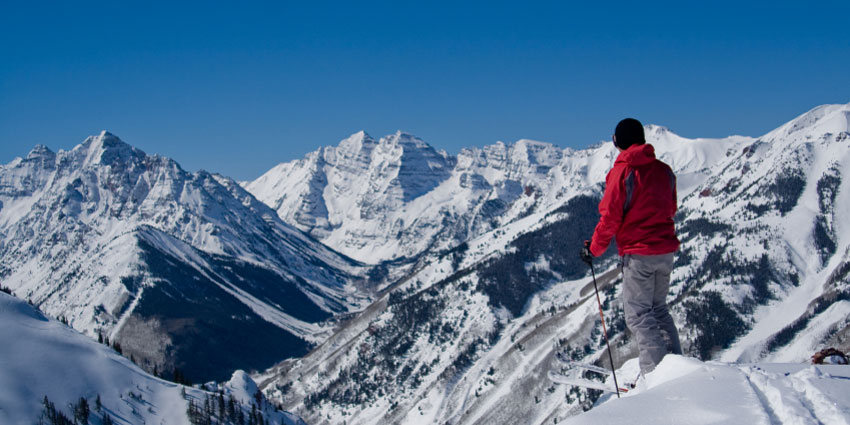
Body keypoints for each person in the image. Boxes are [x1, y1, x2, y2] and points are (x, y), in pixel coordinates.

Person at [580, 117, 682, 376]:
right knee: (659, 310)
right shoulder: (664, 171)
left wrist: (593, 249)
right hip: (665, 250)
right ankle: (678, 367)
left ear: (618, 142)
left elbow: (611, 217)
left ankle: (657, 375)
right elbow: (671, 208)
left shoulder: (623, 171)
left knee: (639, 315)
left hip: (639, 253)